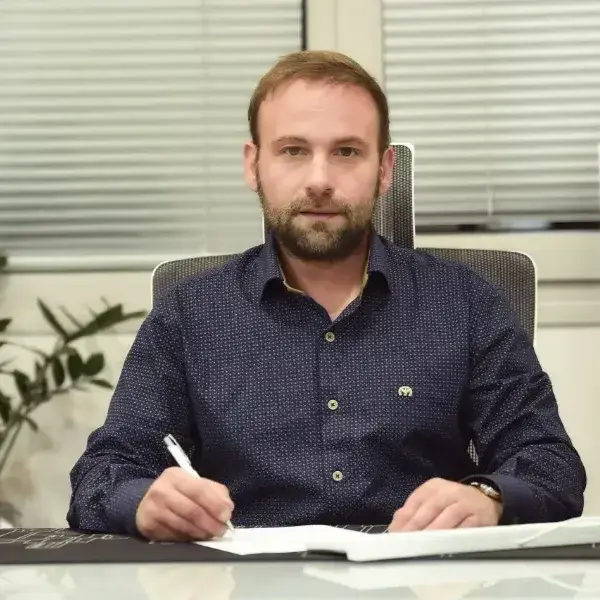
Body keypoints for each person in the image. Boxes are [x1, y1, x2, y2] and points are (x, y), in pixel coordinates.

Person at [67, 50, 586, 542]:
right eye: (293, 150)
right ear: (253, 165)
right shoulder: (190, 313)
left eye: (346, 152)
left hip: (422, 578)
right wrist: (142, 501)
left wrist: (487, 497)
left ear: (384, 170)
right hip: (246, 583)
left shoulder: (466, 302)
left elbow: (551, 464)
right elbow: (102, 473)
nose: (319, 180)